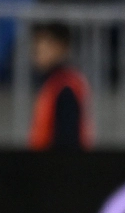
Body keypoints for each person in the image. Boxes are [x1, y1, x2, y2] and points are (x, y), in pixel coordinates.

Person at [27, 22, 92, 151]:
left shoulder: (65, 87)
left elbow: (67, 138)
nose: (38, 52)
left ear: (61, 47)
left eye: (45, 45)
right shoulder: (53, 84)